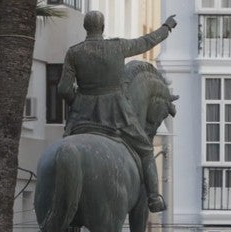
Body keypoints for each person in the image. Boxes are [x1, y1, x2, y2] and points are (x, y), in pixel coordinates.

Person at [58, 10, 178, 213]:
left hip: (81, 114)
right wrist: (166, 28)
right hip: (117, 112)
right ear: (103, 28)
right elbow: (146, 41)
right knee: (146, 150)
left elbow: (63, 89)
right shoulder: (117, 46)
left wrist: (78, 101)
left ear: (85, 28)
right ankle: (153, 198)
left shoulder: (74, 52)